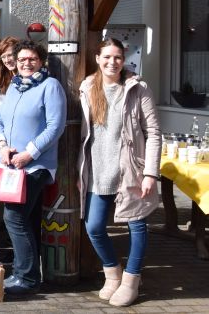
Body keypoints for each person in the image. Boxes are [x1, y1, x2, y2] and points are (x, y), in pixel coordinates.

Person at [77, 38, 161, 307]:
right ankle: (112, 273)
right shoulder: (88, 87)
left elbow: (154, 134)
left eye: (118, 57)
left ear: (124, 60)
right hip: (97, 168)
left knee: (136, 223)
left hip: (131, 169)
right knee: (94, 227)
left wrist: (151, 173)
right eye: (107, 57)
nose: (112, 62)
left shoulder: (138, 88)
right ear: (97, 58)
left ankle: (131, 280)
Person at [0, 39, 66, 295]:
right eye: (22, 59)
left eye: (31, 59)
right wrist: (2, 146)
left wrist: (29, 153)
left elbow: (55, 127)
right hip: (11, 166)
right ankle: (29, 273)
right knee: (27, 219)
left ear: (41, 61)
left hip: (35, 167)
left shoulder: (50, 86)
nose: (26, 63)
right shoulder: (14, 86)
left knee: (13, 217)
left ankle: (25, 276)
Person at [0, 37, 20, 120]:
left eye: (10, 55)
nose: (7, 60)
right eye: (3, 57)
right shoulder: (4, 79)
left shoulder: (29, 79)